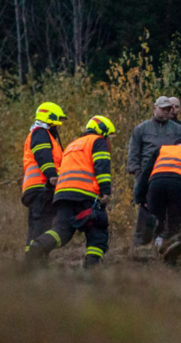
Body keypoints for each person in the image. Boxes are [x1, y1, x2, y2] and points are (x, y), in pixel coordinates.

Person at [26, 116, 116, 268]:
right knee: (97, 229)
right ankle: (91, 267)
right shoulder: (98, 141)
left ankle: (37, 246)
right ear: (103, 130)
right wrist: (105, 191)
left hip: (63, 194)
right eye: (108, 135)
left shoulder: (72, 145)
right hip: (86, 193)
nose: (108, 139)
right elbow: (101, 167)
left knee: (62, 230)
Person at [127, 96, 181, 246]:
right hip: (146, 176)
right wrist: (139, 176)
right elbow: (133, 156)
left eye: (169, 109)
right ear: (154, 108)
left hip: (172, 175)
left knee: (171, 211)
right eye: (162, 109)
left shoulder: (180, 130)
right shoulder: (141, 129)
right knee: (145, 209)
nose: (166, 112)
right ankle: (140, 244)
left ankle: (169, 243)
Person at [134, 137, 181, 245]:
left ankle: (153, 238)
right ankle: (170, 249)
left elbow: (145, 174)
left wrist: (140, 196)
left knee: (156, 215)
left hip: (156, 182)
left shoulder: (161, 150)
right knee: (174, 221)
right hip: (178, 184)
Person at [22, 102, 66, 253]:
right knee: (42, 224)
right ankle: (36, 261)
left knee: (36, 226)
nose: (58, 126)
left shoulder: (39, 133)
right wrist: (52, 176)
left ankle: (30, 261)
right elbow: (43, 155)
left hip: (35, 187)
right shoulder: (40, 133)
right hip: (42, 187)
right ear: (51, 118)